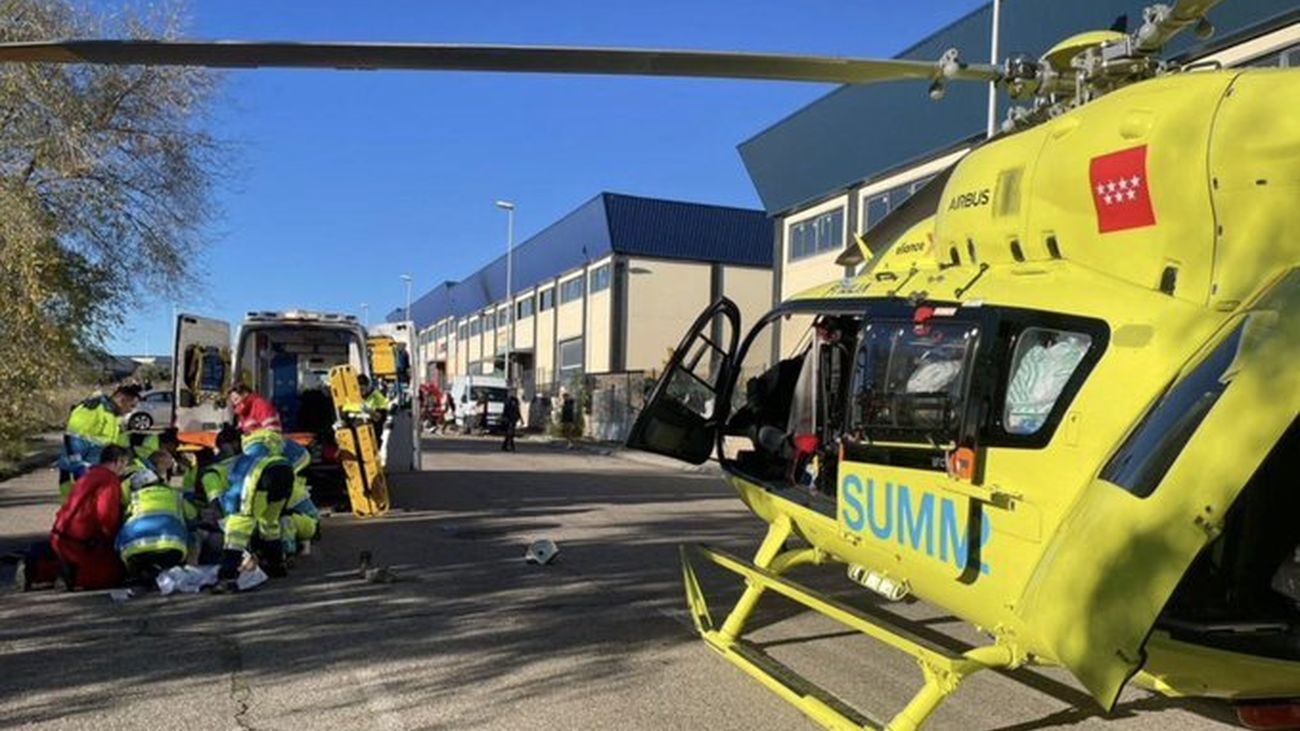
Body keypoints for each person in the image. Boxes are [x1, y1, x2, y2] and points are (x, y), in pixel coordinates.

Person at [51, 445, 132, 590]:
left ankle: (49, 570)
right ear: (118, 461)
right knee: (112, 574)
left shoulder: (90, 474)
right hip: (81, 540)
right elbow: (106, 514)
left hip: (61, 533)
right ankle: (71, 577)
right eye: (124, 464)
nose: (124, 469)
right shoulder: (109, 480)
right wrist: (114, 535)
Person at [116, 448, 197, 583]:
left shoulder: (134, 497)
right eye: (168, 464)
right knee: (193, 534)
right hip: (173, 548)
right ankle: (190, 570)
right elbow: (193, 517)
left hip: (135, 549)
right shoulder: (173, 493)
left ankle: (135, 572)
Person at [58, 384, 141, 502]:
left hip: (97, 475)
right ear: (122, 400)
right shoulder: (91, 409)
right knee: (75, 512)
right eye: (132, 405)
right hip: (78, 475)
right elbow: (73, 441)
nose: (132, 410)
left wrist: (135, 465)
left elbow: (121, 446)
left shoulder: (114, 416)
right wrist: (81, 474)